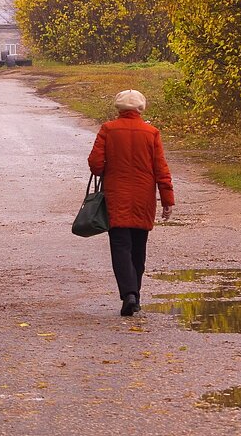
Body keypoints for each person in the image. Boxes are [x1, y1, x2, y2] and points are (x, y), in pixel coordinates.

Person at [87, 89, 175, 316]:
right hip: (143, 198)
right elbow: (161, 169)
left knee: (120, 246)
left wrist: (111, 165)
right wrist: (167, 199)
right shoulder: (151, 133)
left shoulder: (108, 129)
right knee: (138, 248)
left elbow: (96, 165)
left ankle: (129, 294)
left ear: (119, 108)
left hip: (116, 196)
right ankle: (135, 293)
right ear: (140, 108)